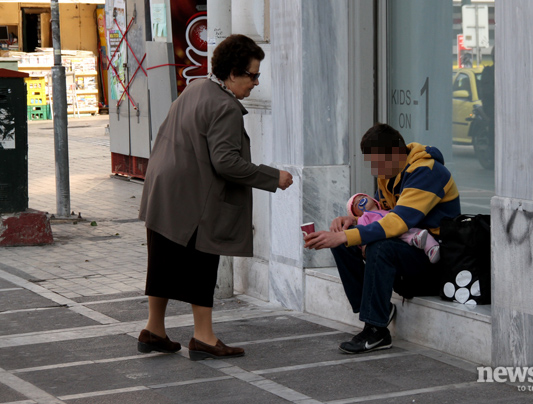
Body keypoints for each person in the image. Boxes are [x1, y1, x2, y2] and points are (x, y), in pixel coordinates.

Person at [138, 34, 293, 360]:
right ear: (233, 73)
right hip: (193, 199)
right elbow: (226, 162)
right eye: (252, 75)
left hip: (163, 189)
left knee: (161, 262)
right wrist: (272, 177)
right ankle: (204, 338)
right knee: (202, 264)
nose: (255, 83)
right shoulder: (226, 107)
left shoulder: (196, 88)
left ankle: (154, 330)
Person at [304, 123, 460, 354]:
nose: (375, 170)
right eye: (372, 163)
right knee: (343, 242)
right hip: (409, 251)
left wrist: (349, 235)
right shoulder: (389, 173)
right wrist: (353, 222)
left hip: (436, 262)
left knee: (379, 247)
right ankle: (378, 309)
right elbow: (381, 215)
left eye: (378, 163)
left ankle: (376, 330)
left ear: (397, 153)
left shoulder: (427, 172)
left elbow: (399, 222)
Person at [347, 193, 440, 263]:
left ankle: (432, 248)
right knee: (406, 236)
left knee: (417, 231)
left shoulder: (385, 210)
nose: (360, 200)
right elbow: (363, 232)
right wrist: (364, 247)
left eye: (362, 197)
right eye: (356, 204)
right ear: (356, 214)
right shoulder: (364, 217)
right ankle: (415, 239)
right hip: (386, 235)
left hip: (398, 227)